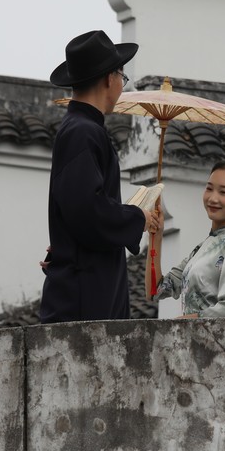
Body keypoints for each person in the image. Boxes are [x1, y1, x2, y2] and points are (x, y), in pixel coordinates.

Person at [39, 30, 162, 323]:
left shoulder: (81, 128)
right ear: (110, 78)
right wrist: (138, 218)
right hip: (86, 293)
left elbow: (76, 209)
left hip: (89, 284)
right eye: (122, 76)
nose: (121, 85)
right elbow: (86, 210)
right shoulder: (83, 131)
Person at [154, 161, 225, 318]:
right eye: (209, 188)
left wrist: (182, 322)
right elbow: (157, 290)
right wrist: (157, 236)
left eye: (223, 192)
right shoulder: (202, 248)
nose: (213, 198)